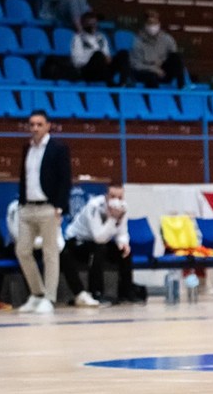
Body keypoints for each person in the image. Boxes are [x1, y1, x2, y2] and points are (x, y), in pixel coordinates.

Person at [16, 110, 72, 314]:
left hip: (48, 207)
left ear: (48, 126)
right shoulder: (27, 148)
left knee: (50, 253)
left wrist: (59, 206)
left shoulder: (58, 148)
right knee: (22, 250)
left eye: (39, 124)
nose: (35, 128)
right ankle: (37, 293)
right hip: (28, 207)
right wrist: (22, 202)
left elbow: (65, 179)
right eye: (32, 125)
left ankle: (49, 297)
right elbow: (24, 178)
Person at [7, 200, 99, 307]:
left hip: (45, 245)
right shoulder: (15, 208)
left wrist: (49, 241)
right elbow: (18, 238)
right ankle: (36, 296)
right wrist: (46, 241)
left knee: (64, 254)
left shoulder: (50, 208)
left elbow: (59, 243)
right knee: (24, 253)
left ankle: (80, 294)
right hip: (23, 247)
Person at [65, 184, 140, 303]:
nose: (116, 201)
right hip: (76, 242)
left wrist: (123, 243)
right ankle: (96, 292)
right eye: (112, 196)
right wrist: (113, 218)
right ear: (106, 197)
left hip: (99, 242)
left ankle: (126, 291)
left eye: (120, 197)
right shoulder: (94, 206)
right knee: (99, 249)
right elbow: (98, 237)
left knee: (124, 252)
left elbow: (122, 232)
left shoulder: (123, 208)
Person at [71, 12, 130, 86]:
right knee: (98, 54)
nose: (93, 25)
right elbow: (77, 61)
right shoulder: (78, 38)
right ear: (84, 24)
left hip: (104, 68)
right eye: (90, 23)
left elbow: (106, 54)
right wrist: (93, 55)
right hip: (88, 70)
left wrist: (107, 58)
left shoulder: (101, 37)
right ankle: (111, 85)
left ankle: (123, 83)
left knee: (123, 53)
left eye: (95, 23)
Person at [131, 10, 185, 89]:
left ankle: (182, 87)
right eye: (150, 23)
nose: (152, 26)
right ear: (145, 24)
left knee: (176, 57)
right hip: (146, 71)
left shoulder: (167, 39)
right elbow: (136, 65)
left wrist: (162, 61)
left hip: (162, 71)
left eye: (155, 23)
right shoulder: (137, 41)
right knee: (149, 76)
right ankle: (154, 98)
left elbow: (173, 57)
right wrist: (153, 69)